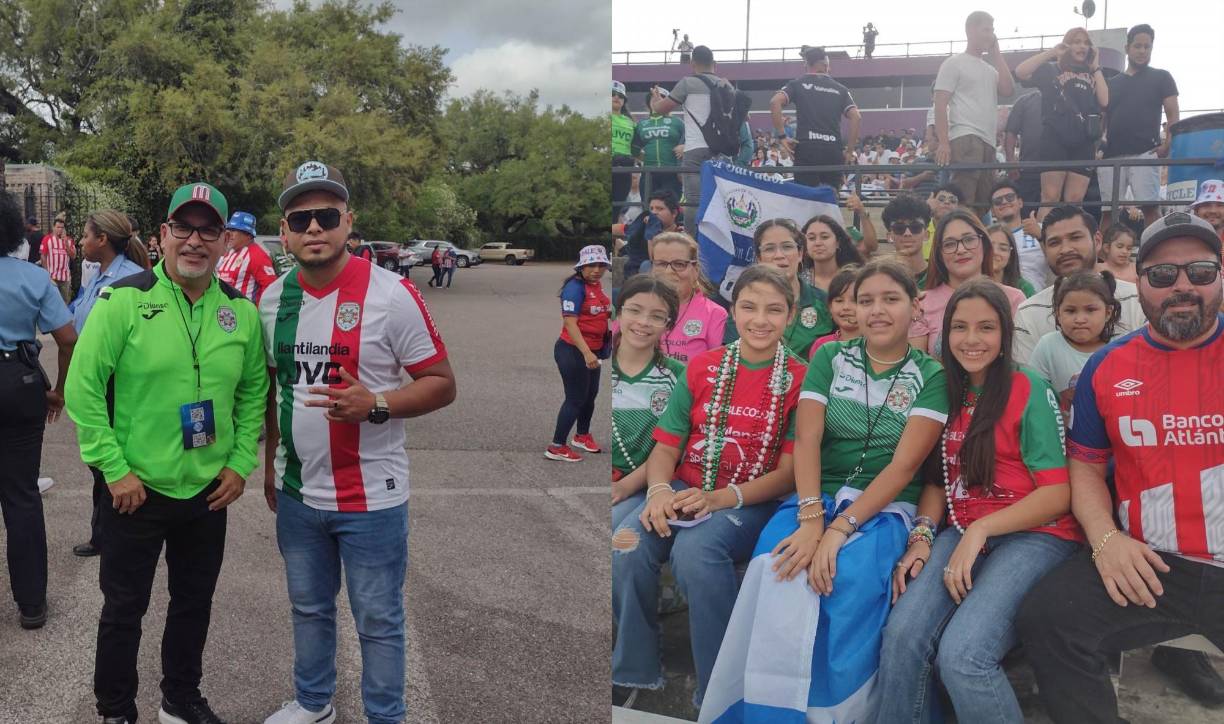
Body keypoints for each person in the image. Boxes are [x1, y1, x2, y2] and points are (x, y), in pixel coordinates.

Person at [700, 260, 948, 723]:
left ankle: (838, 714)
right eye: (866, 299)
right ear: (850, 307)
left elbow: (904, 465)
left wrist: (837, 532)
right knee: (777, 567)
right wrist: (813, 518)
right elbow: (809, 439)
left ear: (915, 307)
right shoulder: (830, 357)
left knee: (846, 580)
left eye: (890, 299)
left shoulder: (931, 375)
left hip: (887, 505)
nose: (877, 310)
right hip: (817, 494)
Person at [258, 161, 455, 724]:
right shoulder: (271, 302)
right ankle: (314, 702)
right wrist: (271, 465)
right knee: (309, 609)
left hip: (372, 496)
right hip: (297, 495)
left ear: (349, 222)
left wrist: (380, 404)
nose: (314, 228)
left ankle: (384, 716)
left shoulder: (392, 296)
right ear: (286, 230)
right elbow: (275, 391)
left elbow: (442, 383)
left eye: (326, 216)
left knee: (378, 618)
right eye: (302, 218)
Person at [64, 181, 267, 724]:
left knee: (193, 605)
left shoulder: (240, 312)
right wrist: (113, 469)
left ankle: (180, 696)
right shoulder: (125, 299)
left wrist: (240, 462)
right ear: (163, 235)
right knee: (125, 609)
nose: (194, 240)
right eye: (184, 227)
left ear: (226, 241)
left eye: (208, 230)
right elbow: (84, 388)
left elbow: (252, 395)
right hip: (136, 491)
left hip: (207, 491)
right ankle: (115, 709)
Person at [1016, 211, 1224, 722]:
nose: (1181, 286)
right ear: (1139, 282)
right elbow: (1084, 467)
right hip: (1150, 563)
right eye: (1161, 274)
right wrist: (1107, 540)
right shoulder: (1106, 366)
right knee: (1047, 619)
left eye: (1199, 271)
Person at [878, 279, 1080, 724]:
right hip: (963, 530)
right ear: (944, 333)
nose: (972, 340)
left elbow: (1057, 492)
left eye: (986, 328)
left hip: (1035, 534)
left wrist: (982, 530)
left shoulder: (1027, 387)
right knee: (901, 634)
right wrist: (923, 537)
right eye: (960, 327)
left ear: (1005, 335)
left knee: (964, 655)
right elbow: (936, 479)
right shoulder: (942, 388)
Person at [613, 265, 807, 712]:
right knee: (626, 544)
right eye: (749, 307)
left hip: (746, 499)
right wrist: (659, 491)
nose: (760, 320)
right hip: (682, 487)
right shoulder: (704, 365)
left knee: (695, 553)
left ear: (791, 315)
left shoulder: (801, 377)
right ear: (732, 311)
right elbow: (666, 445)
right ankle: (634, 667)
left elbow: (790, 472)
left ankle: (719, 686)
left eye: (774, 310)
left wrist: (718, 499)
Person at [0, 192, 76, 630]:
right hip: (18, 384)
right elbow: (67, 338)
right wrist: (59, 390)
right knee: (22, 496)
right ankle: (31, 603)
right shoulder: (32, 277)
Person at [66, 210, 148, 559]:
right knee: (97, 466)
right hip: (95, 381)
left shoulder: (130, 280)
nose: (81, 241)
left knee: (108, 464)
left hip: (117, 383)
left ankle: (110, 534)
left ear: (102, 239)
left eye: (85, 235)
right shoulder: (96, 277)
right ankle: (105, 532)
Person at [1012, 205, 1145, 364]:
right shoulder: (1029, 312)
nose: (1065, 249)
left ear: (1097, 241)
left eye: (1075, 238)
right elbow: (1029, 383)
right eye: (1054, 242)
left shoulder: (1136, 300)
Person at [611, 275, 683, 531]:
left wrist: (626, 485)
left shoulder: (679, 376)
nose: (643, 322)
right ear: (618, 313)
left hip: (649, 486)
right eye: (635, 310)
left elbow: (675, 446)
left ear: (668, 325)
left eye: (656, 316)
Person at [1015, 27, 1109, 219]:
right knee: (1050, 197)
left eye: (1085, 42)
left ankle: (1070, 242)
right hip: (1055, 138)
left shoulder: (1093, 74)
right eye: (1076, 41)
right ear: (1067, 44)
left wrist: (1096, 67)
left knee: (1074, 200)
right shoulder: (1051, 69)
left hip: (1083, 141)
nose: (1081, 46)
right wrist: (1051, 52)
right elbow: (1021, 72)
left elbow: (1105, 101)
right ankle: (1042, 245)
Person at [911, 209, 1027, 355]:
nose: (960, 249)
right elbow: (917, 367)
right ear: (939, 254)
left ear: (984, 243)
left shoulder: (1014, 298)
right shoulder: (922, 304)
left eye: (969, 240)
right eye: (949, 244)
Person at [933, 11, 1015, 215]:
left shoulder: (990, 69)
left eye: (992, 30)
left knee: (983, 202)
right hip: (965, 136)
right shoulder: (954, 62)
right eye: (986, 29)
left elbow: (1008, 89)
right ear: (970, 30)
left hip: (988, 141)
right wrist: (944, 142)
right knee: (963, 196)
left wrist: (997, 54)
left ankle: (970, 240)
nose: (990, 35)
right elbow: (940, 103)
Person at [1099, 24, 1179, 232]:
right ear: (1127, 48)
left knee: (1150, 209)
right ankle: (1103, 258)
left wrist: (1168, 144)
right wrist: (1096, 148)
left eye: (1147, 47)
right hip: (1110, 156)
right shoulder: (1111, 83)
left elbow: (1173, 114)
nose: (1143, 51)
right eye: (1138, 46)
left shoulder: (1162, 77)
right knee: (1108, 211)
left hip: (1145, 152)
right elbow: (1102, 119)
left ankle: (1155, 256)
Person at [651, 45, 737, 231]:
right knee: (722, 199)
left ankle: (691, 244)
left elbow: (662, 109)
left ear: (693, 64)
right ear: (715, 63)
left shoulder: (687, 83)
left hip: (695, 150)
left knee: (693, 201)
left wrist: (655, 101)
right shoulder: (727, 85)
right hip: (722, 151)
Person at [724, 219, 835, 355]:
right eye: (770, 248)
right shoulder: (745, 305)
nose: (779, 255)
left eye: (787, 247)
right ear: (759, 258)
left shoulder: (825, 302)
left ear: (800, 254)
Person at [546, 245, 612, 462]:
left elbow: (597, 311)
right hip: (573, 351)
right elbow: (570, 324)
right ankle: (556, 446)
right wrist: (586, 353)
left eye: (601, 265)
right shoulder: (575, 288)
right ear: (582, 266)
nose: (597, 269)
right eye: (591, 265)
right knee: (575, 398)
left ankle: (582, 435)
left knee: (590, 396)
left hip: (592, 351)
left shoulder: (595, 285)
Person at [1029, 270, 1121, 414]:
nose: (1080, 319)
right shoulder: (1048, 346)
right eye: (1071, 311)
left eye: (1090, 310)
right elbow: (1034, 395)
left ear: (1108, 312)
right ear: (1058, 313)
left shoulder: (1121, 348)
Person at [771, 45, 861, 190]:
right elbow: (856, 117)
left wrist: (783, 137)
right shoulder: (841, 89)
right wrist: (849, 151)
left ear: (807, 64)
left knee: (805, 201)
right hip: (833, 151)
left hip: (807, 150)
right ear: (825, 65)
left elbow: (775, 102)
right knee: (830, 201)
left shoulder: (797, 83)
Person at [650, 232, 726, 363]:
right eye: (661, 264)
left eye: (679, 264)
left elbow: (715, 368)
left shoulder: (714, 314)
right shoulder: (638, 308)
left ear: (695, 270)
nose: (669, 271)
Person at [989, 179, 1047, 289]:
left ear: (1020, 202)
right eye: (998, 201)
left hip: (1034, 299)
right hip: (998, 296)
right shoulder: (988, 236)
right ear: (992, 210)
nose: (1004, 202)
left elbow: (1056, 263)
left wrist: (1041, 237)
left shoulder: (1039, 229)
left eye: (1010, 197)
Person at [613, 190, 683, 280]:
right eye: (651, 208)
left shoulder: (680, 234)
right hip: (638, 276)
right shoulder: (644, 225)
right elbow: (622, 229)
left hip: (669, 275)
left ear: (674, 213)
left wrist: (652, 230)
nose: (654, 212)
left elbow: (656, 260)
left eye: (659, 209)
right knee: (645, 265)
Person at [215, 211, 279, 304]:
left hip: (243, 314)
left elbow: (270, 288)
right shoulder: (229, 252)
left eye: (234, 230)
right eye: (228, 229)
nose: (229, 234)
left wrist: (257, 312)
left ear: (248, 234)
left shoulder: (257, 255)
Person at [636, 90, 685, 200]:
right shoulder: (641, 124)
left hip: (672, 173)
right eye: (653, 97)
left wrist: (685, 147)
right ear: (648, 102)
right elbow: (633, 148)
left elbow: (693, 140)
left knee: (671, 208)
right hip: (648, 174)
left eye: (661, 98)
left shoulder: (677, 122)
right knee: (648, 208)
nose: (656, 99)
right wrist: (644, 158)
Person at [1003, 91, 1044, 219]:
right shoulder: (1024, 101)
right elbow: (1010, 132)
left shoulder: (1065, 97)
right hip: (1029, 171)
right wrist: (1011, 162)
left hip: (1059, 172)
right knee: (1027, 216)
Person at [800, 213, 865, 293]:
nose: (817, 243)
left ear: (838, 242)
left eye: (824, 237)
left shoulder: (856, 278)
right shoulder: (799, 281)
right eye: (811, 238)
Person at [807, 265, 860, 357]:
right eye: (839, 301)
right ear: (830, 307)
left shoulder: (877, 344)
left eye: (854, 300)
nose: (846, 307)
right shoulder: (822, 346)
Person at [884, 192, 934, 288]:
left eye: (915, 227)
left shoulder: (939, 276)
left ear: (926, 235)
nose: (907, 233)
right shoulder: (880, 277)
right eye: (899, 228)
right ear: (889, 236)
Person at [986, 223, 1038, 297]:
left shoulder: (1024, 288)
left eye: (1003, 249)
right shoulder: (970, 285)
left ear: (1011, 256)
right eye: (990, 246)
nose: (995, 252)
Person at [612, 80, 637, 223]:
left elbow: (637, 146)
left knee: (618, 205)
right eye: (612, 94)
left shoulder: (630, 121)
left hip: (625, 165)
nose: (616, 97)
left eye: (620, 96)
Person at [39, 217, 77, 304]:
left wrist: (66, 244)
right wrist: (46, 273)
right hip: (52, 278)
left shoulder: (69, 240)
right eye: (58, 227)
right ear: (53, 228)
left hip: (65, 278)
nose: (60, 229)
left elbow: (73, 256)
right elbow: (43, 256)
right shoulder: (47, 239)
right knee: (52, 302)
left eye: (62, 227)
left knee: (65, 303)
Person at [925, 183, 963, 260]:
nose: (946, 202)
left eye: (952, 201)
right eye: (941, 199)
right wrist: (926, 208)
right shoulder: (920, 228)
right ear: (932, 201)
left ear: (958, 207)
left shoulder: (963, 230)